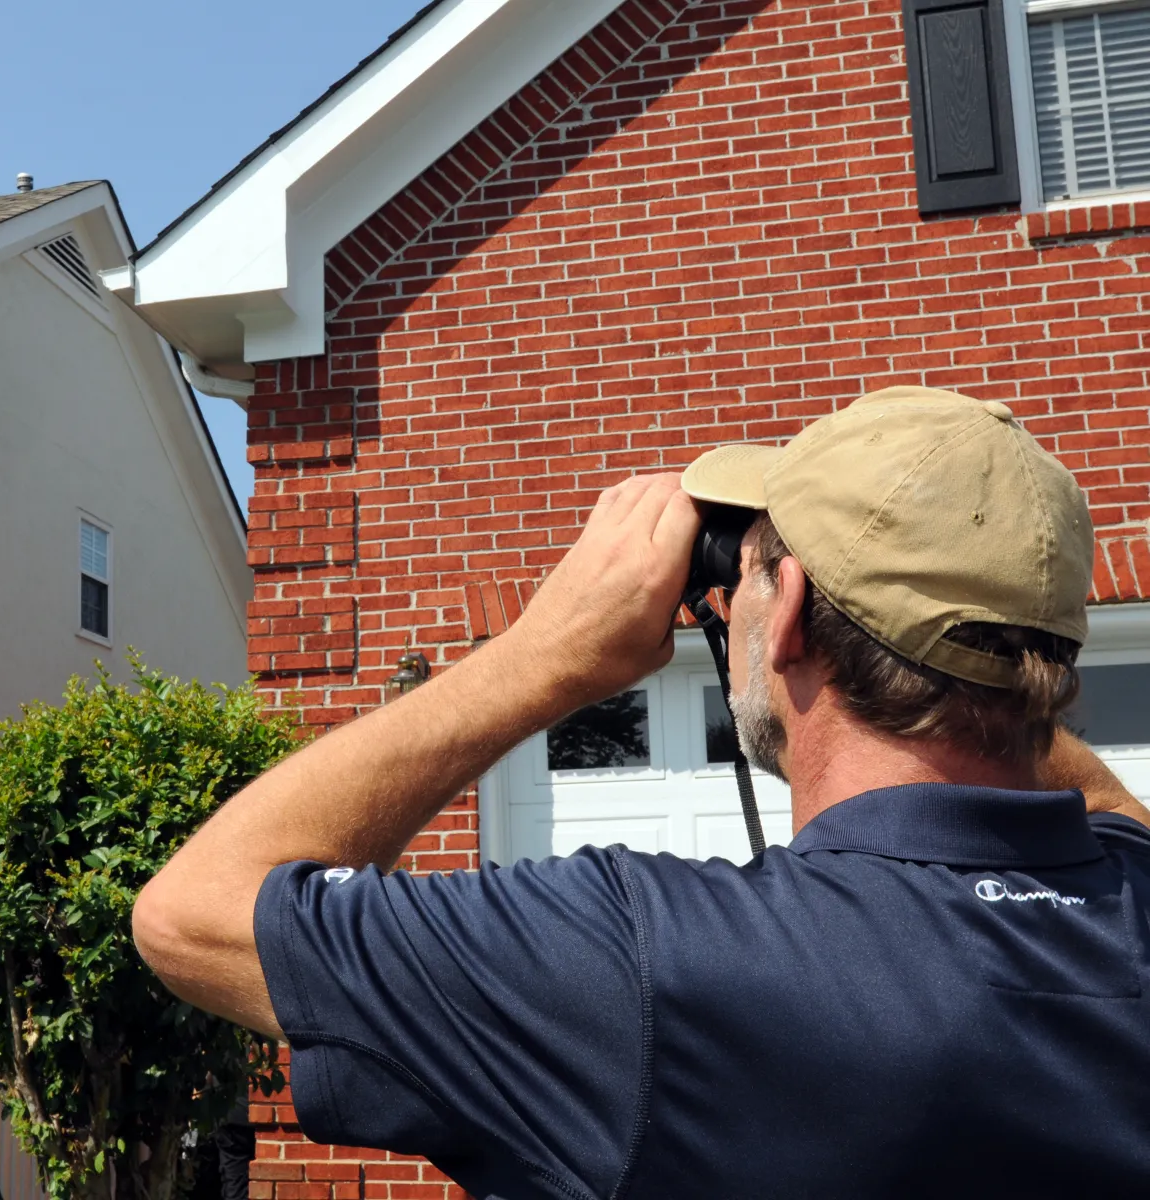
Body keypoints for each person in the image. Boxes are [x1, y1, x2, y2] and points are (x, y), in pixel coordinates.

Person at [133, 387, 1150, 1198]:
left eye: (748, 571)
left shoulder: (640, 965)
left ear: (787, 610)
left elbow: (191, 915)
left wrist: (546, 652)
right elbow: (1103, 809)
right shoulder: (1129, 899)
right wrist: (976, 656)